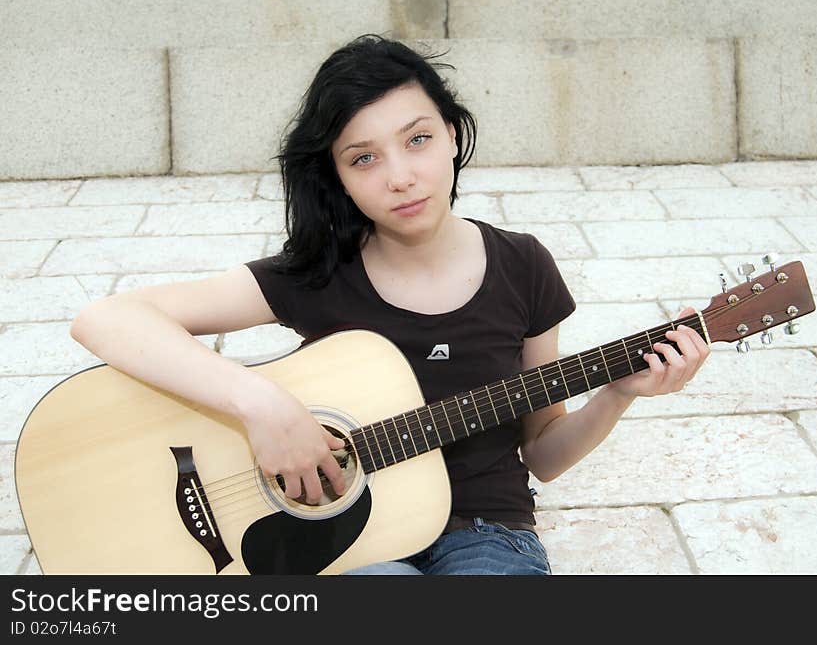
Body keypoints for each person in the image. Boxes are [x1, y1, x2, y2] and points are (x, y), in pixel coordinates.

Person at [70, 34, 710, 575]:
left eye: (418, 140)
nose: (399, 175)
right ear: (339, 179)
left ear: (454, 136)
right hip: (344, 539)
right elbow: (103, 320)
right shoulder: (320, 275)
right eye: (364, 158)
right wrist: (263, 406)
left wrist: (617, 393)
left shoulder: (523, 264)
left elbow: (542, 454)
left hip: (484, 532)